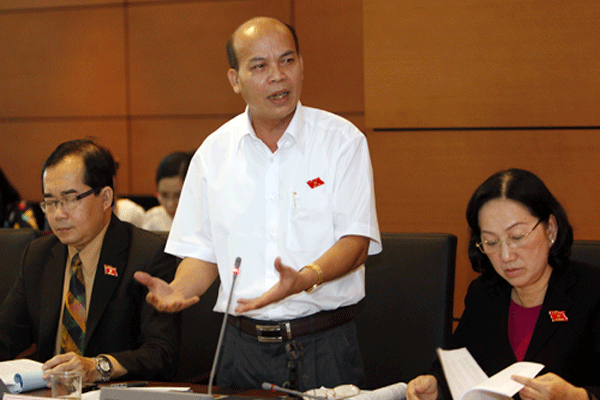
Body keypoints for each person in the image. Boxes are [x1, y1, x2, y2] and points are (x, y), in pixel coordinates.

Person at [134, 17, 381, 391]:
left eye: (287, 61)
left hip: (324, 345)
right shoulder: (213, 154)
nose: (278, 76)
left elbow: (356, 242)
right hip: (241, 349)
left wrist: (305, 278)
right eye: (260, 66)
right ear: (235, 79)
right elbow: (202, 253)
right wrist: (179, 289)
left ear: (301, 64)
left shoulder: (342, 141)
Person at [407, 169, 600, 400]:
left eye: (517, 237)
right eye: (491, 242)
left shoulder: (592, 291)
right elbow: (456, 368)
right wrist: (435, 386)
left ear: (550, 228)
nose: (506, 256)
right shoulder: (484, 294)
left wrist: (576, 397)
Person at [0, 139, 181, 384]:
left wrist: (98, 366)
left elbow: (162, 354)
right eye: (50, 202)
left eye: (70, 199)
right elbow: (6, 336)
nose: (58, 214)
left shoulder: (148, 254)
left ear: (105, 198)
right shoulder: (39, 255)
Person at [141, 151, 192, 232]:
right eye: (164, 195)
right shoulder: (153, 220)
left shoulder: (208, 219)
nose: (170, 204)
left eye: (178, 195)